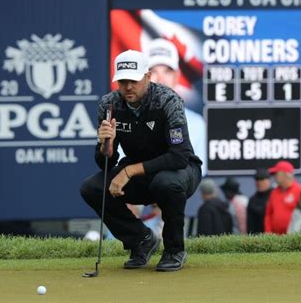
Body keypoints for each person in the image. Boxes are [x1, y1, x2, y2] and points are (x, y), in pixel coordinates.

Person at [80, 49, 202, 272]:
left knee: (165, 183)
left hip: (180, 170)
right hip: (140, 173)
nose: (128, 87)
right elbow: (106, 162)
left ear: (147, 76)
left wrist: (127, 172)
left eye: (133, 81)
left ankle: (174, 250)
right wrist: (105, 144)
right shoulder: (109, 106)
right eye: (123, 81)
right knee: (92, 188)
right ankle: (141, 240)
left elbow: (179, 155)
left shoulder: (168, 100)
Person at [147, 38, 207, 176]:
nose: (161, 80)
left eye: (167, 71)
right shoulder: (127, 120)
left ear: (177, 76)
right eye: (154, 72)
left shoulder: (197, 124)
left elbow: (196, 174)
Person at [264, 161, 301, 234]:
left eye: (276, 174)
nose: (274, 177)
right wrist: (268, 233)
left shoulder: (299, 191)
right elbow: (268, 215)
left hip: (294, 237)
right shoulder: (273, 192)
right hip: (275, 238)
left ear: (285, 174)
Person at [247, 169, 273, 234]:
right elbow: (250, 224)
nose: (259, 182)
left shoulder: (275, 196)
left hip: (275, 237)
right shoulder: (252, 199)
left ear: (269, 180)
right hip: (257, 238)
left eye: (262, 179)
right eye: (257, 179)